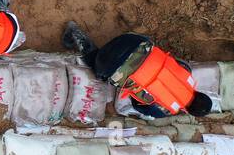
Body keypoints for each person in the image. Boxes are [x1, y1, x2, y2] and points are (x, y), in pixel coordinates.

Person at [62, 22, 212, 118]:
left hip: (131, 41)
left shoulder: (187, 71)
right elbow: (137, 104)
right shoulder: (164, 110)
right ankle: (76, 35)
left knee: (148, 45)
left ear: (199, 92)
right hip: (108, 62)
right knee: (100, 73)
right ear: (187, 111)